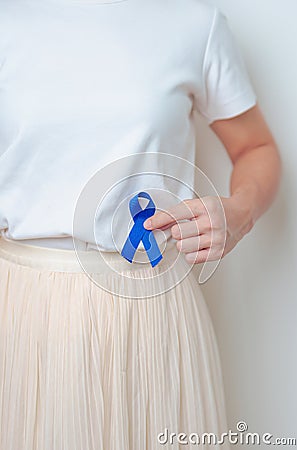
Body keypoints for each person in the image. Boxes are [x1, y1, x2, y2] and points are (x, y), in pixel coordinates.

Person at [0, 0, 281, 449]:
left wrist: (239, 211)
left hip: (154, 308)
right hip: (19, 312)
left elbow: (256, 147)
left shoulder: (194, 24)